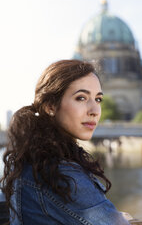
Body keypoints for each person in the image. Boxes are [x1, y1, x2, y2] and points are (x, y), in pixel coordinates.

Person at [0, 59, 133, 225]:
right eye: (81, 98)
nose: (94, 111)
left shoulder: (28, 161)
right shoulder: (63, 176)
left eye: (98, 99)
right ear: (50, 106)